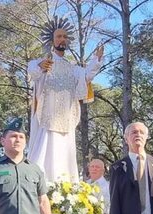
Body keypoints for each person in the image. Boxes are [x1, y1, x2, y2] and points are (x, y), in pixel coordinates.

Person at [27, 16, 103, 182]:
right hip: (46, 119)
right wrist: (41, 66)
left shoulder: (73, 69)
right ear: (52, 40)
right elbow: (33, 70)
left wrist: (96, 60)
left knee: (65, 156)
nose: (62, 39)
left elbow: (87, 76)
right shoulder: (42, 62)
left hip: (67, 120)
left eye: (65, 37)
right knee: (43, 154)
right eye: (59, 36)